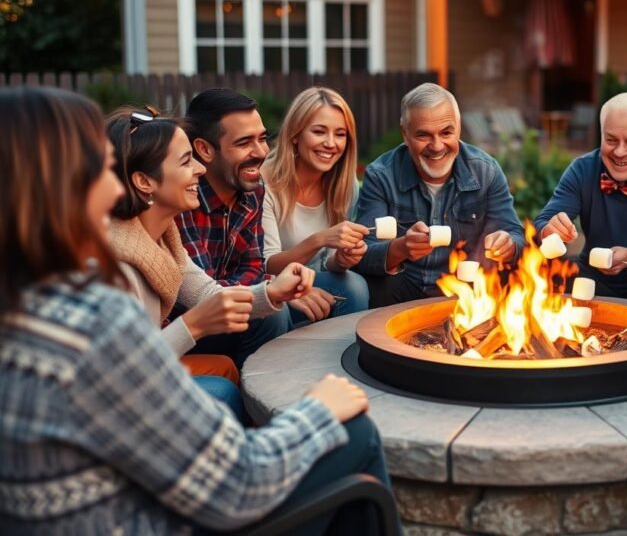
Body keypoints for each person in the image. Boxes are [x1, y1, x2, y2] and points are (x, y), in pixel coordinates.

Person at [0, 86, 390, 534]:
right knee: (353, 433)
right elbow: (237, 485)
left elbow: (207, 289)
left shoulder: (28, 304)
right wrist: (318, 409)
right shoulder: (93, 316)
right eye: (102, 169)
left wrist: (272, 293)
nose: (114, 185)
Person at [105, 107, 314, 420]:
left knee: (228, 371)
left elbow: (207, 294)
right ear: (144, 181)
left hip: (143, 371)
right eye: (185, 161)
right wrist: (193, 325)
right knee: (221, 392)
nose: (200, 170)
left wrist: (272, 293)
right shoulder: (115, 266)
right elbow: (122, 374)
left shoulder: (164, 240)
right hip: (116, 398)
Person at [175, 88, 335, 366]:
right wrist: (268, 292)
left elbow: (252, 265)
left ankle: (326, 374)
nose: (261, 152)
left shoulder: (252, 189)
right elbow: (204, 294)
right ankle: (257, 396)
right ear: (204, 149)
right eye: (244, 142)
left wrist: (268, 288)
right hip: (193, 325)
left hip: (240, 299)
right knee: (273, 313)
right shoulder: (183, 198)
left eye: (262, 138)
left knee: (347, 293)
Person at [354, 82, 525, 307]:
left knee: (512, 282)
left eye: (446, 132)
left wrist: (508, 244)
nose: (436, 146)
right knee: (379, 283)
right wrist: (401, 248)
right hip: (403, 291)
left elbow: (517, 237)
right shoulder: (381, 175)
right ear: (405, 135)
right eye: (423, 135)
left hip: (468, 295)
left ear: (459, 128)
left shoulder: (486, 170)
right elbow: (362, 255)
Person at [534, 92, 627, 300]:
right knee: (544, 269)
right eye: (611, 139)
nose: (620, 152)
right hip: (591, 278)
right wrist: (548, 230)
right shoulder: (582, 169)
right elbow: (542, 223)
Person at [262, 87, 371, 321]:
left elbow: (329, 263)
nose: (331, 143)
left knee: (354, 286)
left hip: (317, 281)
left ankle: (342, 357)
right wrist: (320, 239)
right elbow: (268, 264)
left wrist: (341, 260)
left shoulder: (346, 184)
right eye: (319, 132)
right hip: (272, 283)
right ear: (295, 135)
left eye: (340, 134)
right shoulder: (265, 182)